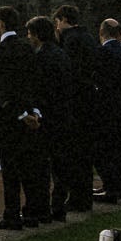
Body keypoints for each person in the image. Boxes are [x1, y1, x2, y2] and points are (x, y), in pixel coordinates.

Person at [0, 5, 47, 230]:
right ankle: (31, 212)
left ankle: (12, 214)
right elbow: (32, 83)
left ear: (1, 23)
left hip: (10, 115)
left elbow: (7, 87)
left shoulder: (1, 50)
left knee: (10, 168)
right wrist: (33, 112)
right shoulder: (27, 48)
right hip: (28, 113)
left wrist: (20, 114)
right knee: (27, 164)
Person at [30, 14, 83, 220]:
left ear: (37, 35)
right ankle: (58, 205)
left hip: (48, 116)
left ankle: (43, 208)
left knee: (42, 164)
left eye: (30, 33)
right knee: (60, 165)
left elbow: (41, 89)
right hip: (63, 115)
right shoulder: (61, 54)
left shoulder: (42, 57)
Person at [53, 4, 98, 214]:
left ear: (63, 19)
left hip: (74, 103)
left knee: (72, 153)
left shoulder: (70, 41)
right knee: (84, 153)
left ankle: (76, 198)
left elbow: (67, 72)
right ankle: (84, 196)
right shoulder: (88, 38)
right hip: (88, 102)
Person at [94, 18, 121, 202]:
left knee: (105, 147)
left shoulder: (102, 53)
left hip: (107, 107)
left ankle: (110, 187)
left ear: (101, 33)